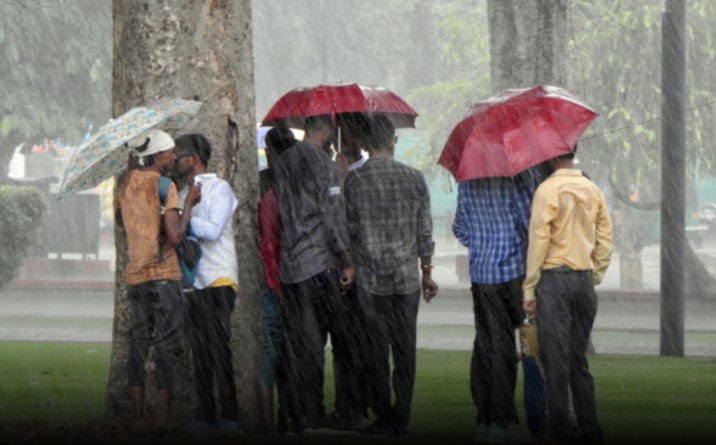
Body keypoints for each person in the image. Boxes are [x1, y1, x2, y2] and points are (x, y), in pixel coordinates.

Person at [344, 115, 439, 436]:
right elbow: (424, 231)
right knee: (405, 350)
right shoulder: (414, 178)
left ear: (366, 144)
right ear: (390, 142)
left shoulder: (355, 181)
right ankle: (402, 415)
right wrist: (426, 272)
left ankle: (383, 415)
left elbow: (350, 230)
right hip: (406, 281)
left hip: (371, 281)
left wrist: (352, 264)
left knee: (375, 352)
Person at [523, 147, 613, 445]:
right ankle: (590, 427)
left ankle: (561, 427)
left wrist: (529, 286)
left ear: (550, 158)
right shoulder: (592, 189)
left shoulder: (547, 190)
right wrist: (595, 272)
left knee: (555, 360)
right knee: (578, 360)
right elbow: (605, 236)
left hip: (554, 279)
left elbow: (539, 239)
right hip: (583, 280)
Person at [452, 161, 546, 443]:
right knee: (520, 345)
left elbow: (460, 227)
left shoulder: (467, 177)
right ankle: (507, 421)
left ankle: (486, 416)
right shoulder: (519, 173)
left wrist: (483, 243)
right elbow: (528, 221)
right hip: (513, 272)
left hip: (481, 274)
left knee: (486, 344)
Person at [114, 129, 200, 432]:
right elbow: (175, 236)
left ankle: (137, 414)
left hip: (136, 275)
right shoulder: (166, 185)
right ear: (158, 156)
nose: (174, 156)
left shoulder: (123, 184)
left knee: (138, 342)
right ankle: (163, 414)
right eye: (169, 152)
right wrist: (187, 205)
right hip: (164, 275)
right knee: (167, 344)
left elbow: (120, 221)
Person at [273, 114, 355, 432]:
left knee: (300, 341)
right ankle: (321, 409)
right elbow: (334, 220)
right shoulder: (325, 165)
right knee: (337, 340)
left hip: (291, 265)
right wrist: (348, 260)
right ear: (328, 130)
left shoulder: (284, 162)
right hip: (319, 263)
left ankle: (298, 409)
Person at [172, 133, 241, 433]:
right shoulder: (185, 192)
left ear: (195, 158)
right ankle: (205, 414)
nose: (175, 161)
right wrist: (185, 208)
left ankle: (230, 415)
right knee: (199, 351)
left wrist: (187, 219)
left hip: (219, 278)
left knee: (218, 348)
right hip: (195, 281)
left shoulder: (219, 188)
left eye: (179, 155)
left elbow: (213, 231)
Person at [256, 126, 295, 432]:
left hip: (277, 283)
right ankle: (286, 416)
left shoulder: (269, 194)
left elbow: (268, 248)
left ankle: (273, 420)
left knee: (273, 351)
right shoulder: (297, 190)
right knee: (289, 353)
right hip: (294, 282)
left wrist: (275, 284)